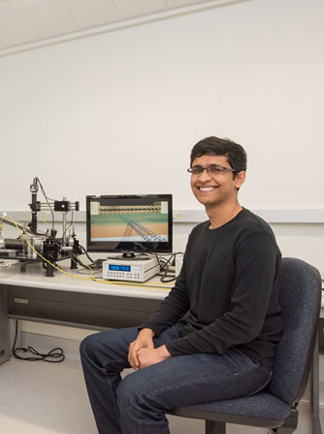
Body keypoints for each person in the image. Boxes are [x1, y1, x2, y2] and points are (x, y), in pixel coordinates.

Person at [80, 136, 282, 434]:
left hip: (242, 357)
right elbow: (181, 295)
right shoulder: (200, 233)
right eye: (196, 169)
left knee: (136, 391)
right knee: (93, 349)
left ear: (239, 178)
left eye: (215, 169)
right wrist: (148, 332)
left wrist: (163, 352)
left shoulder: (254, 236)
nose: (203, 178)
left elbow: (243, 325)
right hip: (196, 336)